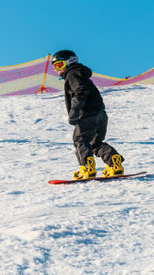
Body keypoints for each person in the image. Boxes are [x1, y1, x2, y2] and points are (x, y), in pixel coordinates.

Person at [51, 50, 125, 179]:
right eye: (55, 67)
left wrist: (75, 110)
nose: (57, 70)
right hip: (100, 114)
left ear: (70, 63)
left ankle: (86, 168)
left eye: (59, 65)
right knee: (95, 143)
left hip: (87, 114)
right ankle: (114, 162)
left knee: (80, 140)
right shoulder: (80, 74)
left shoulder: (72, 74)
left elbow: (80, 91)